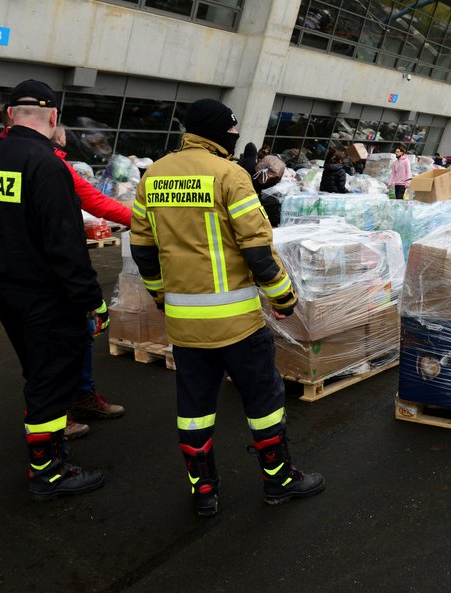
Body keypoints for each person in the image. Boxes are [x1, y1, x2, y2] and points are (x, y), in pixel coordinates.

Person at [130, 99, 324, 517]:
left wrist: (161, 296)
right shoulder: (229, 175)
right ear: (222, 134)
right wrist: (283, 298)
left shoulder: (154, 175)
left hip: (184, 324)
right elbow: (257, 248)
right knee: (263, 401)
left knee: (195, 409)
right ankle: (279, 481)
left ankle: (203, 491)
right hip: (237, 323)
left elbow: (143, 249)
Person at [0, 79, 106, 501]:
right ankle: (49, 471)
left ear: (10, 115)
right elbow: (64, 243)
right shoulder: (46, 164)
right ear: (53, 118)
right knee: (50, 381)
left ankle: (48, 456)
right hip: (47, 296)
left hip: (7, 289)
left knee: (37, 372)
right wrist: (92, 300)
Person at [50, 124, 128, 438]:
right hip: (48, 270)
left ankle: (81, 396)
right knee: (54, 346)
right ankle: (55, 416)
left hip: (50, 267)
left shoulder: (52, 163)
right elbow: (95, 202)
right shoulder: (46, 165)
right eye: (60, 129)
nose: (65, 135)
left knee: (81, 332)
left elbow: (94, 201)